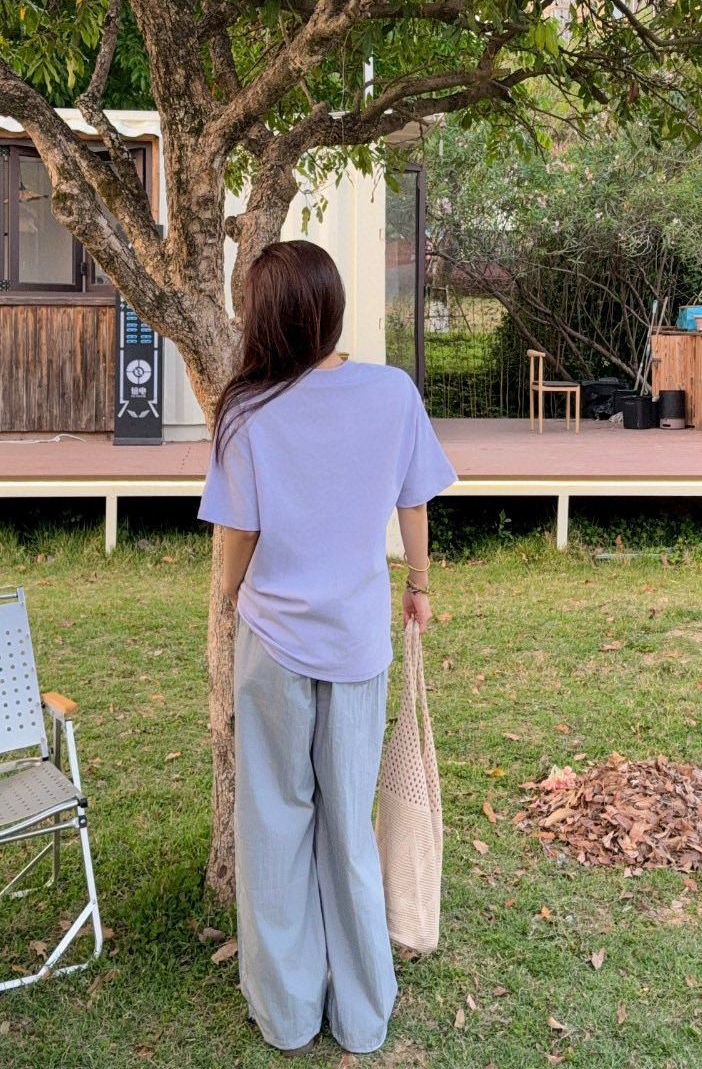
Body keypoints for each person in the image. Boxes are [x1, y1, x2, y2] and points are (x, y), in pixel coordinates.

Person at [198, 239, 456, 1057]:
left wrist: (228, 599)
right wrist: (419, 584)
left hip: (272, 640)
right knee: (348, 825)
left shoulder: (247, 410)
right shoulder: (392, 393)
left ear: (264, 318)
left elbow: (237, 534)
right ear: (333, 308)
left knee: (275, 823)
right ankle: (362, 1014)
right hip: (355, 641)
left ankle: (285, 1014)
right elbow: (414, 502)